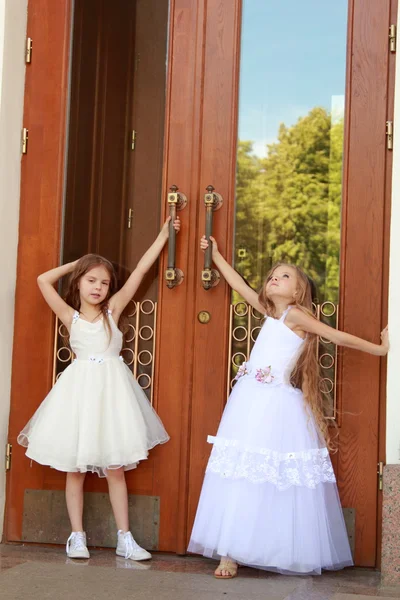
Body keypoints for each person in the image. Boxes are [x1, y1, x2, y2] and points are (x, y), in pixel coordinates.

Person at [188, 235, 389, 578]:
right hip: (248, 402)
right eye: (272, 276)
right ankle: (229, 551)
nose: (274, 280)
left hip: (278, 409)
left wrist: (379, 349)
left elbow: (336, 336)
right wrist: (218, 257)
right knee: (241, 471)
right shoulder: (270, 312)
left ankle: (276, 546)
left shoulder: (296, 316)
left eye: (284, 277)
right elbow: (239, 284)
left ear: (297, 292)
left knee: (275, 477)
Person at [18, 217, 180, 561]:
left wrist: (164, 234)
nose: (98, 287)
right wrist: (79, 263)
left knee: (115, 467)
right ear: (79, 283)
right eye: (91, 280)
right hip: (78, 396)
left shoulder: (113, 310)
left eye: (104, 282)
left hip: (112, 395)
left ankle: (125, 538)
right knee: (75, 469)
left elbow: (139, 272)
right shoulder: (69, 316)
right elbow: (42, 280)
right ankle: (77, 536)